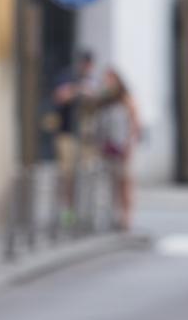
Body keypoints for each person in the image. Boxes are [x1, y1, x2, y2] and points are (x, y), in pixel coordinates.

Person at [51, 50, 97, 217]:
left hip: (85, 137)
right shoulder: (68, 76)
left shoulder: (92, 80)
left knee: (86, 173)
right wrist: (78, 90)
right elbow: (60, 96)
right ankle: (67, 211)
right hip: (67, 133)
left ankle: (85, 210)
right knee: (67, 174)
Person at [96, 66, 141, 231]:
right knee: (110, 183)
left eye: (110, 80)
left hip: (123, 147)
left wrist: (130, 145)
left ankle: (126, 217)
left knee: (124, 182)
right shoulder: (103, 101)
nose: (107, 84)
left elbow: (135, 124)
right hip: (107, 147)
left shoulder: (126, 99)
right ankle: (113, 215)